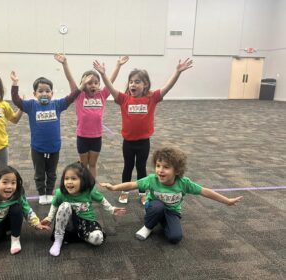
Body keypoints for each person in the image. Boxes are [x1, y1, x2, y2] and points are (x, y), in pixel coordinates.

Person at [93, 58, 193, 205]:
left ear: (145, 84)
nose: (133, 84)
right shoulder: (124, 99)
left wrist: (177, 72)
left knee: (141, 168)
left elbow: (167, 87)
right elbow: (110, 88)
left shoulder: (151, 98)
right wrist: (103, 74)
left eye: (137, 82)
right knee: (128, 166)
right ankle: (124, 190)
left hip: (143, 142)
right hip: (128, 142)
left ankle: (142, 193)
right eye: (131, 81)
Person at [100, 146, 243, 244]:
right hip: (154, 206)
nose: (160, 170)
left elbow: (205, 191)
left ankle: (162, 220)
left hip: (172, 211)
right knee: (157, 206)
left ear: (177, 170)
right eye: (158, 166)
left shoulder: (183, 183)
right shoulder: (152, 179)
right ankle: (148, 226)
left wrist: (227, 201)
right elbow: (132, 184)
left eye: (166, 167)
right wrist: (114, 188)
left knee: (175, 238)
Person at [10, 71, 93, 205]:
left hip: (54, 147)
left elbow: (71, 97)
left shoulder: (57, 105)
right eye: (40, 91)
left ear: (52, 94)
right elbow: (16, 100)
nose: (44, 94)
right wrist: (15, 84)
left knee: (52, 172)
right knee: (39, 173)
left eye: (47, 91)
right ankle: (42, 193)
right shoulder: (31, 105)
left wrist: (82, 86)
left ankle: (49, 192)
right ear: (34, 94)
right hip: (37, 148)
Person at [54, 54, 129, 178]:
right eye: (89, 83)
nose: (92, 85)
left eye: (95, 83)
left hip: (96, 137)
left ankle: (92, 189)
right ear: (82, 84)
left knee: (92, 164)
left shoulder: (102, 95)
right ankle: (83, 188)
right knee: (83, 165)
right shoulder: (78, 95)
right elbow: (70, 80)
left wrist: (118, 65)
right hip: (82, 136)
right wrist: (64, 63)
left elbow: (111, 81)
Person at [41, 162, 126, 257]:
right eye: (66, 178)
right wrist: (49, 218)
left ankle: (82, 235)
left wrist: (112, 209)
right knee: (65, 205)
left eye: (74, 178)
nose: (69, 182)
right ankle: (58, 239)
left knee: (98, 239)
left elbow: (102, 200)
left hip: (86, 222)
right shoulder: (61, 193)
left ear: (83, 180)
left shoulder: (89, 191)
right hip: (69, 224)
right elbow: (54, 205)